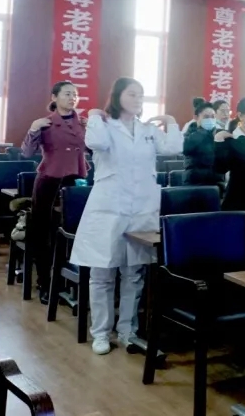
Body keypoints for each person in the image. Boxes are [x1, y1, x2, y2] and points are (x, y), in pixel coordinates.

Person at [69, 77, 182, 355]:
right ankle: (100, 332)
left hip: (142, 209)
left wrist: (171, 121)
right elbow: (96, 142)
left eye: (141, 95)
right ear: (118, 96)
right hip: (108, 207)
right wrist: (95, 116)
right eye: (132, 94)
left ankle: (127, 330)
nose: (138, 99)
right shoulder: (105, 126)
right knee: (102, 274)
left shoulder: (147, 130)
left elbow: (173, 148)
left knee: (133, 274)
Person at [22, 80, 89, 304]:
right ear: (54, 97)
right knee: (45, 232)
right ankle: (45, 282)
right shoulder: (45, 123)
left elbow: (93, 148)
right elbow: (27, 152)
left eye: (75, 94)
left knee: (74, 231)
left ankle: (69, 281)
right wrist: (33, 129)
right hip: (50, 180)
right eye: (67, 94)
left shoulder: (84, 124)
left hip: (75, 180)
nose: (72, 98)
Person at [182, 97, 224, 187]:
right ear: (196, 117)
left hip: (217, 182)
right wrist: (203, 131)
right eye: (206, 117)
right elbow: (186, 149)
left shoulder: (219, 133)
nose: (210, 120)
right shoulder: (189, 134)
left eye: (213, 117)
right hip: (195, 182)